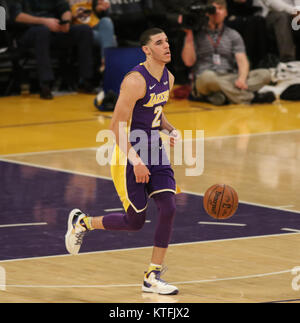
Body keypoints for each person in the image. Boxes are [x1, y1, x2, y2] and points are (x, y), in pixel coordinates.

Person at [65, 28, 181, 295]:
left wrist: (170, 129)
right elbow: (116, 125)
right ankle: (83, 222)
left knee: (169, 206)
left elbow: (156, 113)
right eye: (159, 42)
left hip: (155, 150)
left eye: (167, 41)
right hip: (129, 153)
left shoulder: (169, 77)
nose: (166, 45)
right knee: (135, 222)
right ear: (146, 50)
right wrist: (136, 161)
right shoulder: (135, 80)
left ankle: (152, 275)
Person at [181, 0, 275, 105]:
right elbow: (188, 62)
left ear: (226, 13)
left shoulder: (233, 35)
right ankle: (251, 98)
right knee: (208, 77)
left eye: (220, 9)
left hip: (229, 77)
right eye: (213, 9)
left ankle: (219, 96)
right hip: (205, 79)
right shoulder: (197, 33)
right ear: (207, 12)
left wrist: (242, 79)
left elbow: (242, 61)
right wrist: (189, 34)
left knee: (265, 74)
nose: (217, 12)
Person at [9, 0, 95, 99]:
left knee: (84, 30)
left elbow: (64, 8)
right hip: (27, 33)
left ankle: (86, 80)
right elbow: (16, 16)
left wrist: (66, 22)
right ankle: (45, 85)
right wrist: (44, 21)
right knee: (42, 31)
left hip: (53, 29)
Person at [68, 0, 117, 72]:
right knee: (111, 40)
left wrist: (100, 9)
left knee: (106, 20)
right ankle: (108, 63)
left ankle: (106, 61)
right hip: (81, 30)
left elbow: (99, 10)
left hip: (97, 25)